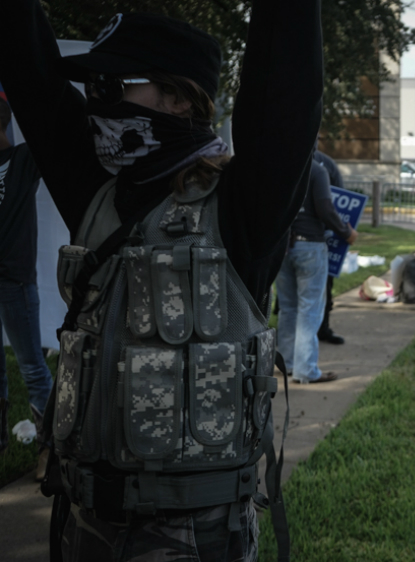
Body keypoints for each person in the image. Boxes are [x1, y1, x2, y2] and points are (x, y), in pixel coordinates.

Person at [0, 2, 322, 560]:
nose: (95, 103)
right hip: (83, 522)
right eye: (91, 87)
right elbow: (32, 74)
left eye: (112, 86)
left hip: (192, 534)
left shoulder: (244, 208)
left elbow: (284, 91)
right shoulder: (95, 196)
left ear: (179, 98)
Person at [0, 95, 54, 481]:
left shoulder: (23, 159)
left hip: (14, 281)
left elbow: (50, 131)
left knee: (32, 367)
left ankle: (51, 449)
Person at [277, 158, 357, 384]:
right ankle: (305, 370)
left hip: (282, 246)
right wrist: (346, 232)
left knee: (287, 308)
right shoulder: (316, 170)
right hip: (310, 246)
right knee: (309, 309)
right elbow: (325, 208)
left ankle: (287, 363)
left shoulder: (280, 166)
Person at [313, 148, 348, 345]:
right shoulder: (323, 167)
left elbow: (341, 202)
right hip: (318, 239)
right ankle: (319, 330)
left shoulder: (326, 165)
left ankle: (321, 329)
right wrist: (345, 232)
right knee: (321, 289)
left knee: (291, 300)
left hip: (295, 240)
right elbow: (334, 208)